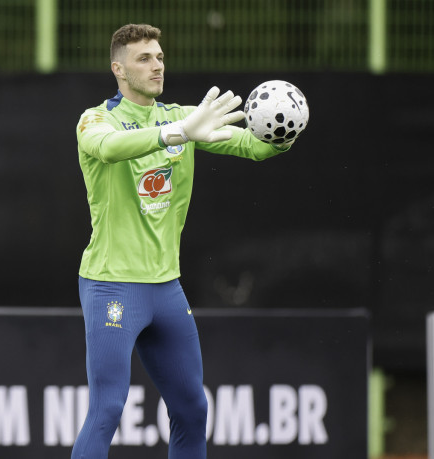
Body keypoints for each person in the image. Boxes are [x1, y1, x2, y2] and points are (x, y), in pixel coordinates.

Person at [73, 23, 295, 459]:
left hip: (166, 288)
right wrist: (177, 133)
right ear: (118, 69)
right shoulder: (96, 119)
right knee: (108, 408)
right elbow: (110, 148)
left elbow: (254, 147)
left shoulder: (180, 116)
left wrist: (285, 130)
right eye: (143, 59)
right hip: (111, 286)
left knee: (193, 409)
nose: (156, 66)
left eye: (159, 57)